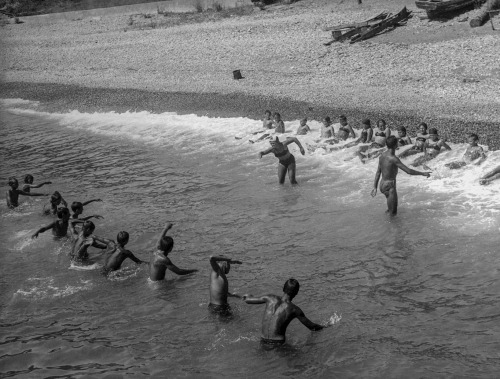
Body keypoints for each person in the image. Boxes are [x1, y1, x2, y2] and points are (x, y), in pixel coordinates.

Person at [242, 278, 331, 345]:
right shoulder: (294, 309)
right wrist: (326, 326)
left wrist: (248, 296)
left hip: (262, 341)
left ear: (283, 288)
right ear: (296, 293)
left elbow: (248, 300)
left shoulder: (269, 298)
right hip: (278, 344)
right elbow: (312, 327)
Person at [371, 135, 431, 215]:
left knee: (389, 210)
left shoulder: (382, 156)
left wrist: (375, 187)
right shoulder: (393, 158)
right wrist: (422, 173)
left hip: (382, 184)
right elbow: (408, 171)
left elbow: (378, 172)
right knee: (393, 213)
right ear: (396, 145)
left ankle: (385, 226)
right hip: (389, 186)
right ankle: (392, 227)